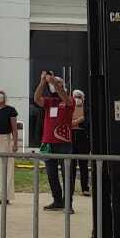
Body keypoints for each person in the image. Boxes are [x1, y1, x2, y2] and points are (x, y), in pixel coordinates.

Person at [34, 71, 75, 211]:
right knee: (51, 174)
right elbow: (36, 98)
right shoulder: (49, 102)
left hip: (64, 143)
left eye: (59, 84)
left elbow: (65, 97)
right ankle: (57, 201)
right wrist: (42, 82)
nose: (55, 86)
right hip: (48, 142)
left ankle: (68, 203)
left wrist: (54, 82)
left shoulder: (69, 100)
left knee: (67, 174)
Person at [70, 89, 90, 195]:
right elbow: (68, 123)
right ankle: (71, 188)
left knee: (83, 165)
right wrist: (78, 120)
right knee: (71, 164)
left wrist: (79, 122)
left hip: (83, 139)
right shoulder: (69, 109)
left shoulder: (87, 110)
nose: (77, 99)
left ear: (83, 99)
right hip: (72, 137)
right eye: (75, 96)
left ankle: (85, 188)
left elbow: (88, 123)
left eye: (79, 97)